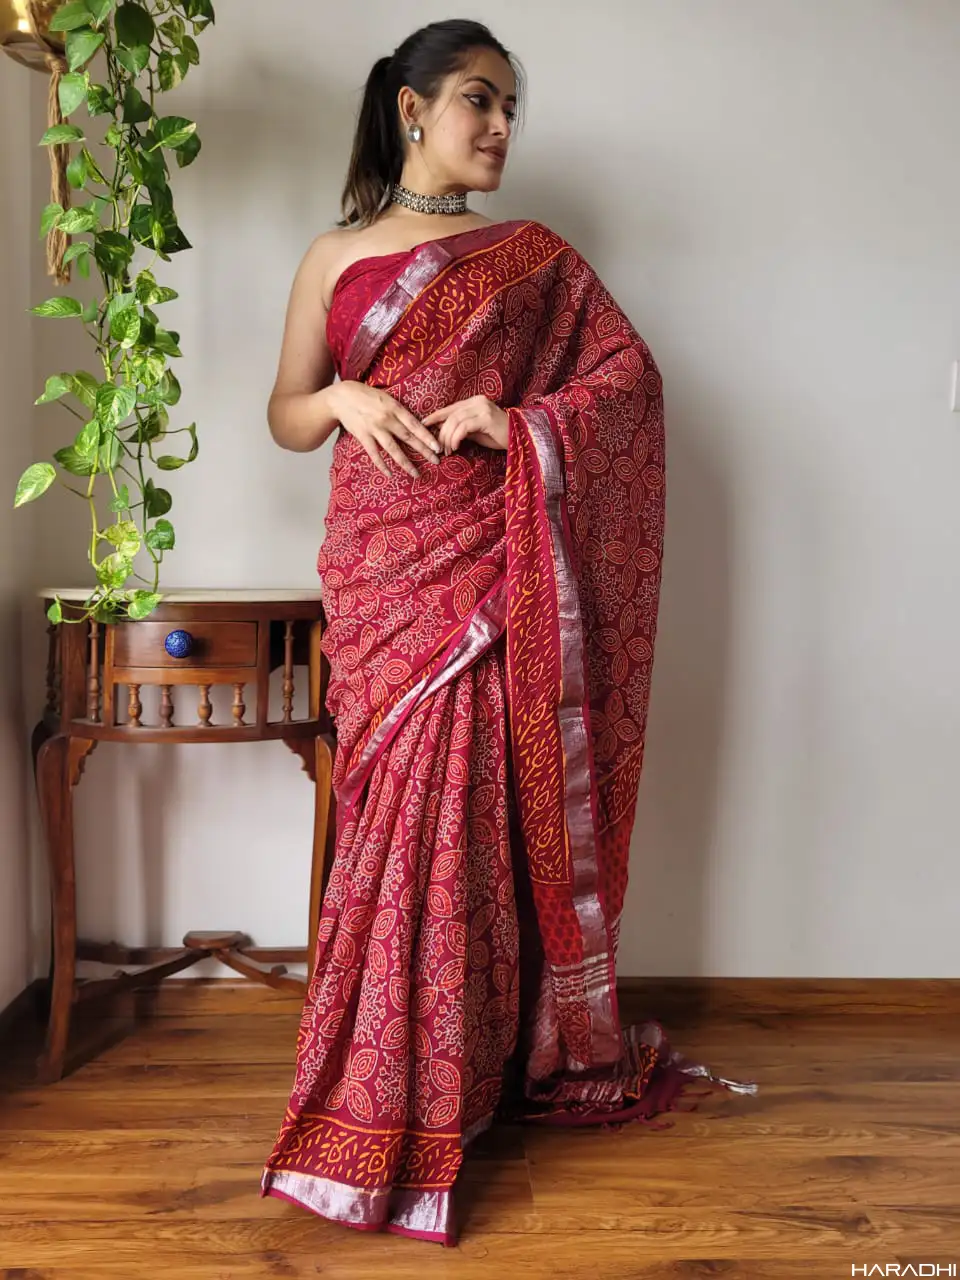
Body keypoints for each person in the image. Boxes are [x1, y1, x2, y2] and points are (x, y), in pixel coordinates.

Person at [259, 17, 756, 1248]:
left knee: (475, 813)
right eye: (479, 100)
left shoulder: (539, 258)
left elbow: (627, 383)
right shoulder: (333, 254)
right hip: (384, 573)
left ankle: (455, 1082)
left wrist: (512, 417)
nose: (500, 126)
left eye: (512, 107)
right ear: (411, 109)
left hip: (493, 564)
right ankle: (384, 1085)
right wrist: (340, 393)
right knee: (396, 821)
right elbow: (281, 413)